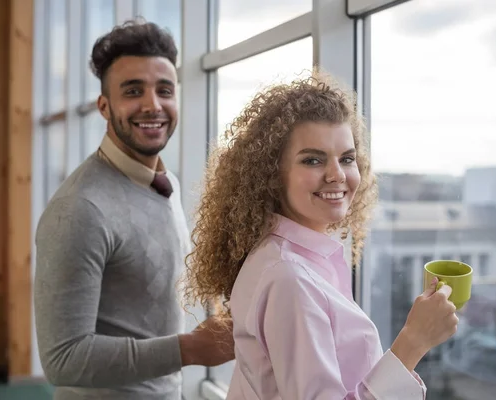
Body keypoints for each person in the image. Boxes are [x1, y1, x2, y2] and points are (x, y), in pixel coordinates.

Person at [182, 71, 459, 399]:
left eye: (347, 158)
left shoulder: (290, 256)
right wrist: (414, 341)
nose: (337, 175)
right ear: (271, 174)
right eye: (312, 160)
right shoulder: (289, 278)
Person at [34, 20, 234, 400]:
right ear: (104, 107)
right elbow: (62, 359)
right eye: (133, 91)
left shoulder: (165, 181)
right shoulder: (79, 210)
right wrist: (189, 349)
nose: (152, 105)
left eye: (164, 90)